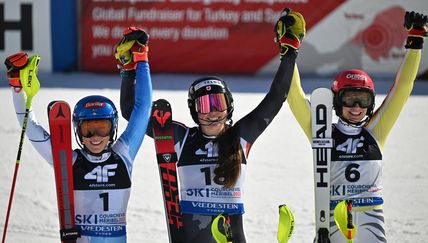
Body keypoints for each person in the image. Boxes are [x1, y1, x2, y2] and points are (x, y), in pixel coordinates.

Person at [120, 8, 306, 243]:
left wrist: (289, 51)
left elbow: (276, 96)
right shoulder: (180, 138)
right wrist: (129, 69)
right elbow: (130, 112)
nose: (213, 113)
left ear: (230, 106)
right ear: (193, 111)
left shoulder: (241, 136)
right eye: (204, 106)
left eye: (218, 103)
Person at [286, 11, 428, 242]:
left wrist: (415, 41)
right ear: (336, 102)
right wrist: (289, 50)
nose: (356, 107)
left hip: (371, 227)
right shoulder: (322, 132)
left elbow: (402, 88)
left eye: (363, 101)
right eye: (349, 99)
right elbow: (294, 96)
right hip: (333, 226)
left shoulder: (375, 133)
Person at [6, 27, 153, 243]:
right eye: (87, 129)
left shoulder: (124, 154)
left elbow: (143, 108)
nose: (95, 136)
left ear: (112, 129)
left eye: (101, 128)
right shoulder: (70, 161)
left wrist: (142, 59)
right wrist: (17, 87)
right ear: (78, 130)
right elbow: (31, 128)